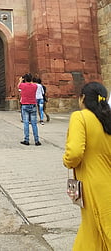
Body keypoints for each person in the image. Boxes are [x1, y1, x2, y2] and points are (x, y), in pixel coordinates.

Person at [63, 82, 111, 250]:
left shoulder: (80, 117)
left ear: (82, 98)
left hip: (93, 184)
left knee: (100, 229)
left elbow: (75, 153)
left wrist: (67, 161)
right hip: (107, 181)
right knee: (95, 230)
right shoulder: (107, 120)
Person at [18, 74, 41, 146]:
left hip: (25, 105)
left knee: (26, 123)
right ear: (31, 79)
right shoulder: (35, 86)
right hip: (33, 105)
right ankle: (37, 141)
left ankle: (26, 140)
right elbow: (33, 84)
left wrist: (20, 80)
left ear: (25, 79)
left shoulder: (22, 85)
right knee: (34, 124)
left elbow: (18, 86)